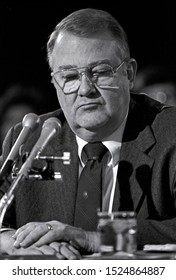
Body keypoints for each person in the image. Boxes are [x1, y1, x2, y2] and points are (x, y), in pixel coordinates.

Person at [1, 8, 176, 259]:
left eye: (100, 72)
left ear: (129, 74)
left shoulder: (170, 133)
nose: (85, 89)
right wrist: (11, 241)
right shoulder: (32, 139)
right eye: (70, 76)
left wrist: (92, 238)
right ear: (54, 82)